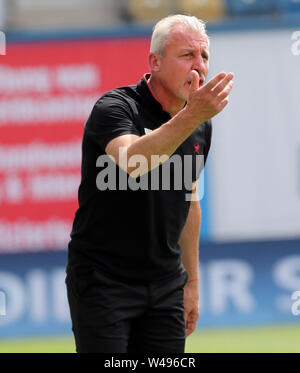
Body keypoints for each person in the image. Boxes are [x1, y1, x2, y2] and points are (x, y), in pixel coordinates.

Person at [65, 14, 234, 353]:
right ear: (155, 62)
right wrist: (191, 117)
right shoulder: (115, 107)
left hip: (166, 284)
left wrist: (193, 283)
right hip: (103, 281)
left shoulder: (199, 123)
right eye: (187, 55)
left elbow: (190, 199)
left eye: (204, 57)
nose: (198, 66)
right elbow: (132, 163)